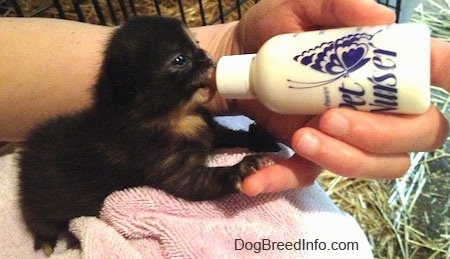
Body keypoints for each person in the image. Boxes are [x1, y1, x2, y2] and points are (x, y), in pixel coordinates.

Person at [1, 0, 449, 197]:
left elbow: (205, 132)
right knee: (49, 216)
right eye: (182, 60)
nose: (202, 57)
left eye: (195, 43)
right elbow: (189, 181)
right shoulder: (137, 143)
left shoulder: (168, 114)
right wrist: (234, 174)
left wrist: (229, 48)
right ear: (135, 94)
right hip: (57, 193)